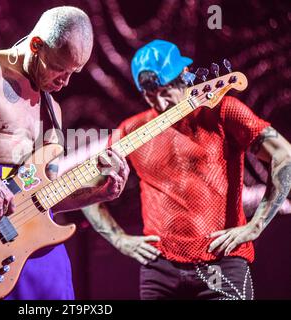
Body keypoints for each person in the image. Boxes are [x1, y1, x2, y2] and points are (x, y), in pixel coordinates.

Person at [0, 6, 129, 300]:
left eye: (72, 73)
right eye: (59, 68)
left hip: (30, 235)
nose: (64, 82)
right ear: (36, 45)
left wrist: (97, 195)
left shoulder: (52, 110)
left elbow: (45, 198)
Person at [82, 39, 291, 300]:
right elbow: (86, 191)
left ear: (184, 74)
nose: (160, 102)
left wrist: (256, 226)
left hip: (222, 260)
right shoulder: (130, 131)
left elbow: (284, 155)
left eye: (166, 89)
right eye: (149, 94)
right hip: (160, 268)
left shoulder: (222, 111)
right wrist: (119, 240)